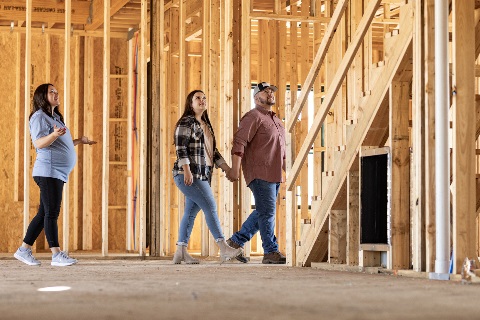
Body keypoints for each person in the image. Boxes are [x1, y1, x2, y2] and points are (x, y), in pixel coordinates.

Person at [14, 83, 96, 267]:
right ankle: (56, 254)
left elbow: (60, 144)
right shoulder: (38, 117)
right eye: (52, 92)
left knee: (44, 213)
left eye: (57, 91)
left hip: (56, 172)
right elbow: (39, 143)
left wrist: (79, 141)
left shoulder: (56, 117)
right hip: (48, 171)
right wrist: (54, 135)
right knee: (51, 213)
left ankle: (24, 249)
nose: (56, 94)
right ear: (42, 96)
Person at [172, 90, 242, 264]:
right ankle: (224, 248)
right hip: (188, 174)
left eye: (204, 98)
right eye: (198, 98)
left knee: (190, 212)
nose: (202, 100)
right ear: (191, 103)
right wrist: (187, 169)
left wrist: (227, 168)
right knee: (210, 205)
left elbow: (212, 152)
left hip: (202, 175)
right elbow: (181, 148)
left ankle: (180, 250)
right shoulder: (186, 122)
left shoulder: (205, 124)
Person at [226, 82, 287, 264]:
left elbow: (282, 149)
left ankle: (235, 242)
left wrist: (287, 170)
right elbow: (239, 143)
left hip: (275, 173)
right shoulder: (252, 117)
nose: (269, 93)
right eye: (265, 91)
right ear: (255, 97)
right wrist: (235, 169)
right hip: (260, 172)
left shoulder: (276, 120)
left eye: (271, 91)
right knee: (267, 212)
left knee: (263, 211)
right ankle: (270, 251)